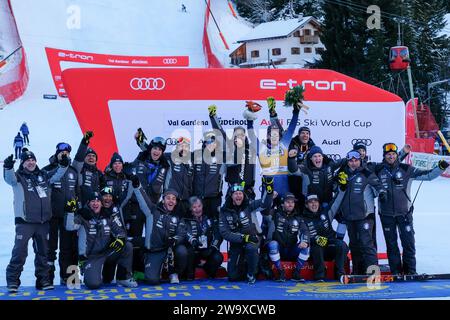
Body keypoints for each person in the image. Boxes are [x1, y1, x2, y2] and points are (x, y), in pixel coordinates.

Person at [374, 143, 449, 275]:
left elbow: (428, 175)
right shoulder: (378, 170)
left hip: (404, 214)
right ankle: (396, 273)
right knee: (391, 246)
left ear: (397, 155)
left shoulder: (406, 169)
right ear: (384, 156)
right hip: (386, 215)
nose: (391, 156)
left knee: (408, 244)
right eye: (388, 154)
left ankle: (410, 273)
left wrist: (440, 168)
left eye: (393, 154)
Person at [3, 150, 69, 292]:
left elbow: (58, 174)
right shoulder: (18, 177)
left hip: (43, 222)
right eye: (27, 160)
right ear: (23, 163)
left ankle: (44, 280)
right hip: (25, 222)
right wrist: (8, 167)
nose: (31, 162)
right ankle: (13, 281)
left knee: (43, 253)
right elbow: (9, 179)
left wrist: (63, 165)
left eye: (33, 160)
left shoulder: (43, 176)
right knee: (19, 252)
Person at [65, 191, 137, 289]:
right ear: (88, 203)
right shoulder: (83, 215)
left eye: (98, 201)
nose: (95, 203)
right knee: (93, 284)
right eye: (93, 201)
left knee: (127, 246)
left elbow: (120, 231)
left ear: (101, 203)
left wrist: (120, 239)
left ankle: (123, 277)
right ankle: (89, 271)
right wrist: (70, 212)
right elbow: (69, 227)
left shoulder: (108, 215)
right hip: (92, 257)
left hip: (107, 253)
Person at [336, 150, 386, 275]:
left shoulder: (366, 173)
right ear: (347, 162)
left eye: (356, 161)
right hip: (349, 215)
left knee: (366, 244)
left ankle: (373, 273)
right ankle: (358, 272)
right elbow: (334, 189)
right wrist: (340, 185)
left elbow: (379, 186)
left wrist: (382, 194)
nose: (353, 163)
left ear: (360, 161)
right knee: (354, 245)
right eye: (351, 161)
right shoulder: (342, 173)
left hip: (364, 216)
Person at [219, 176, 274, 284]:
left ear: (243, 195)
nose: (238, 195)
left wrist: (269, 187)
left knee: (251, 248)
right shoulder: (224, 211)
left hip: (252, 238)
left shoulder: (249, 205)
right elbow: (224, 233)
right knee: (232, 276)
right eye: (236, 193)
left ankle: (251, 272)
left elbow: (265, 203)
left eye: (240, 193)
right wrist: (243, 238)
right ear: (231, 196)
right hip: (237, 242)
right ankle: (249, 264)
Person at [133, 183, 188, 285]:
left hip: (170, 250)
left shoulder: (179, 216)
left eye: (173, 199)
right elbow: (144, 199)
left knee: (182, 251)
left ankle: (174, 273)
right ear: (163, 200)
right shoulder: (153, 211)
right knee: (152, 281)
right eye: (168, 198)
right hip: (155, 251)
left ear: (176, 202)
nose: (171, 201)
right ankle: (157, 270)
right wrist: (137, 186)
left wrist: (174, 240)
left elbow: (182, 233)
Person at [246, 98, 300, 199]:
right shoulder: (261, 149)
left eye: (277, 134)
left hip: (285, 190)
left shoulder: (284, 144)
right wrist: (249, 120)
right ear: (267, 136)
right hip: (268, 190)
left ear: (280, 136)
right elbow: (251, 135)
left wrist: (296, 111)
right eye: (272, 134)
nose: (274, 136)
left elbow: (292, 127)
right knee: (267, 214)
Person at [42, 142, 79, 285]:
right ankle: (47, 278)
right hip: (51, 216)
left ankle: (69, 278)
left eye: (67, 153)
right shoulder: (47, 170)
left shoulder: (73, 171)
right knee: (49, 249)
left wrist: (77, 210)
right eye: (61, 152)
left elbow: (77, 193)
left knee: (68, 248)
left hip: (68, 217)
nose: (64, 154)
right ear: (56, 153)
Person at [136, 130, 194, 218]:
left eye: (185, 146)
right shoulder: (169, 158)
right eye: (180, 146)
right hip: (171, 201)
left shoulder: (193, 161)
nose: (183, 148)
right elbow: (152, 152)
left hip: (186, 202)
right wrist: (140, 141)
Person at [208, 104, 256, 199]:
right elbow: (219, 132)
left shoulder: (251, 149)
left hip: (248, 192)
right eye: (237, 135)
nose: (239, 137)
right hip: (232, 191)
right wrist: (213, 117)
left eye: (242, 135)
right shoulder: (229, 148)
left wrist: (250, 116)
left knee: (248, 214)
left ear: (245, 137)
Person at [301, 192, 349, 281]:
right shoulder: (303, 219)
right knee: (317, 247)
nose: (314, 204)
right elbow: (303, 237)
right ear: (306, 205)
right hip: (316, 250)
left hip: (330, 245)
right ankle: (320, 276)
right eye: (311, 202)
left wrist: (342, 189)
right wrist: (314, 239)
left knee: (342, 245)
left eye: (316, 202)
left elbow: (336, 201)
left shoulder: (326, 213)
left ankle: (340, 274)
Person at [266, 193, 310, 282]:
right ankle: (280, 272)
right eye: (287, 202)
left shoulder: (298, 217)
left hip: (291, 250)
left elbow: (305, 231)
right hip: (279, 249)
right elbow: (265, 211)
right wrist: (270, 198)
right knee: (273, 244)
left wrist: (304, 241)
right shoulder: (275, 214)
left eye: (292, 202)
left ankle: (296, 273)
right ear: (282, 203)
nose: (290, 204)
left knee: (306, 246)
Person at [182, 197, 223, 280]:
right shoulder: (186, 219)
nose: (197, 209)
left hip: (207, 250)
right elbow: (185, 233)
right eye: (194, 207)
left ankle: (208, 270)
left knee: (218, 257)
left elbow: (218, 234)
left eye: (199, 206)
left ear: (202, 206)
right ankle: (190, 274)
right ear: (190, 209)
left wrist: (212, 248)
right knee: (188, 252)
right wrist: (193, 241)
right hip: (193, 251)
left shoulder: (209, 217)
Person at [193, 131, 224, 220]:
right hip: (198, 198)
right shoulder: (196, 155)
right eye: (208, 142)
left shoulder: (221, 157)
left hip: (214, 198)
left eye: (212, 142)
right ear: (204, 143)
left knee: (215, 222)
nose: (210, 144)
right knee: (199, 223)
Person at [72, 131, 104, 205]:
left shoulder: (98, 173)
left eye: (93, 156)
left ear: (96, 160)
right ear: (84, 158)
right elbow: (79, 156)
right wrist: (84, 142)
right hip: (81, 204)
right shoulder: (80, 168)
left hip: (94, 206)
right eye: (88, 155)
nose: (91, 157)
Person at [288, 126, 315, 207]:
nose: (305, 135)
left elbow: (319, 155)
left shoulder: (312, 146)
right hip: (293, 175)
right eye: (303, 133)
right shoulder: (291, 143)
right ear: (298, 135)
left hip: (306, 175)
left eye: (307, 133)